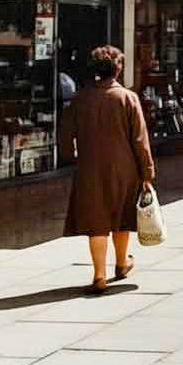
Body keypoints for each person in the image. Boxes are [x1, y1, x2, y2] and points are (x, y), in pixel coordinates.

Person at [59, 46, 154, 295]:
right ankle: (122, 263)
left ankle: (99, 274)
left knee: (96, 220)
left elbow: (65, 135)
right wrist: (147, 172)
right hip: (125, 168)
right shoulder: (127, 98)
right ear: (118, 69)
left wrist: (71, 158)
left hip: (90, 167)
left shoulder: (81, 98)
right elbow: (140, 141)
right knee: (121, 216)